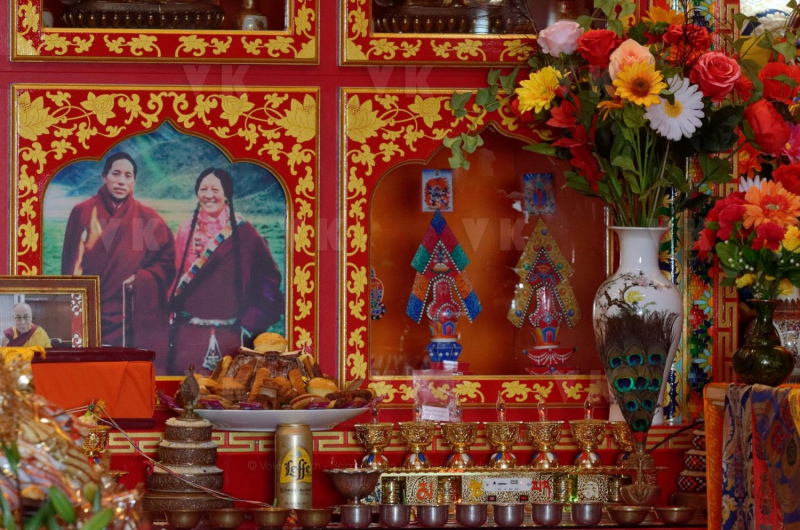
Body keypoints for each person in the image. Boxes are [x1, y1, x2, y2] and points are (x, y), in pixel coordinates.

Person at [166, 168, 283, 375]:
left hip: (232, 334)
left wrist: (251, 321)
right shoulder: (185, 229)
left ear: (226, 194)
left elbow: (268, 278)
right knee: (186, 387)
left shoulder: (244, 232)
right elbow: (176, 278)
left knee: (231, 388)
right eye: (203, 189)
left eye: (215, 189)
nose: (208, 195)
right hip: (189, 334)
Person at [61, 152, 176, 353]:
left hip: (130, 313)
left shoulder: (146, 218)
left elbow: (165, 262)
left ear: (134, 181)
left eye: (128, 176)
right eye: (116, 174)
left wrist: (141, 279)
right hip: (91, 310)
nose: (121, 181)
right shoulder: (84, 212)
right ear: (104, 177)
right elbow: (70, 267)